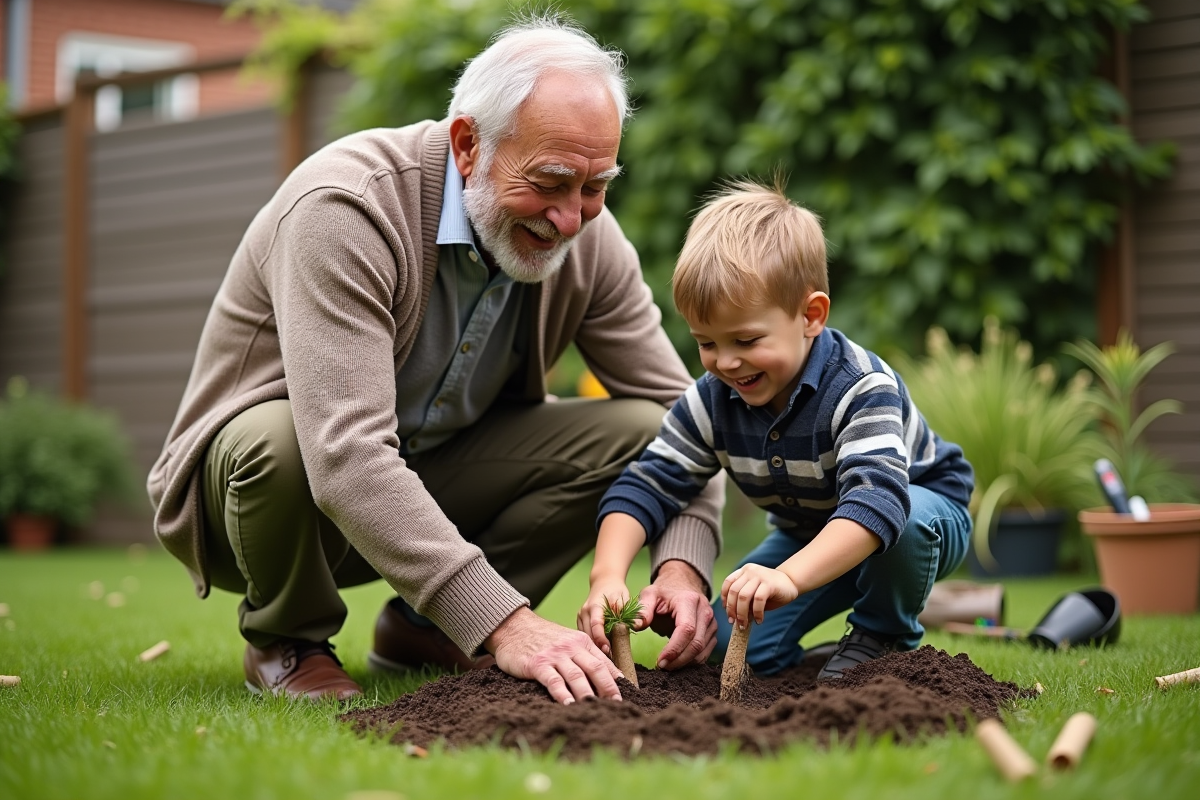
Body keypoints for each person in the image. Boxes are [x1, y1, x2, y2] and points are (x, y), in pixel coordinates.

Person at [147, 17, 723, 705]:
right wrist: (510, 624)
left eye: (595, 186)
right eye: (550, 181)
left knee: (641, 430)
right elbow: (347, 454)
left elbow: (682, 421)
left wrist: (684, 562)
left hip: (428, 484)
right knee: (281, 441)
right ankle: (287, 641)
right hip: (266, 507)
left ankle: (430, 630)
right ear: (468, 144)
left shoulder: (588, 242)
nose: (571, 218)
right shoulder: (347, 208)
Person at [579, 180, 973, 679]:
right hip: (808, 532)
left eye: (745, 339)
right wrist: (607, 575)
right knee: (723, 644)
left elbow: (879, 502)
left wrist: (787, 577)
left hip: (916, 514)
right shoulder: (713, 399)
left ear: (810, 316)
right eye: (706, 343)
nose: (725, 362)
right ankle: (817, 660)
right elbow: (647, 485)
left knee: (908, 519)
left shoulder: (860, 387)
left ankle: (882, 634)